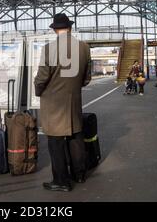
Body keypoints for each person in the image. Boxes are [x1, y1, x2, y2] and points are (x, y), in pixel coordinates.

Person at [34, 13, 91, 192]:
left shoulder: (49, 49)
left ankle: (61, 180)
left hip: (53, 102)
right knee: (76, 136)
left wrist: (38, 91)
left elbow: (41, 78)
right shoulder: (84, 47)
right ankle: (80, 174)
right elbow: (87, 78)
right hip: (73, 100)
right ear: (70, 28)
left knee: (55, 142)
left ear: (55, 29)